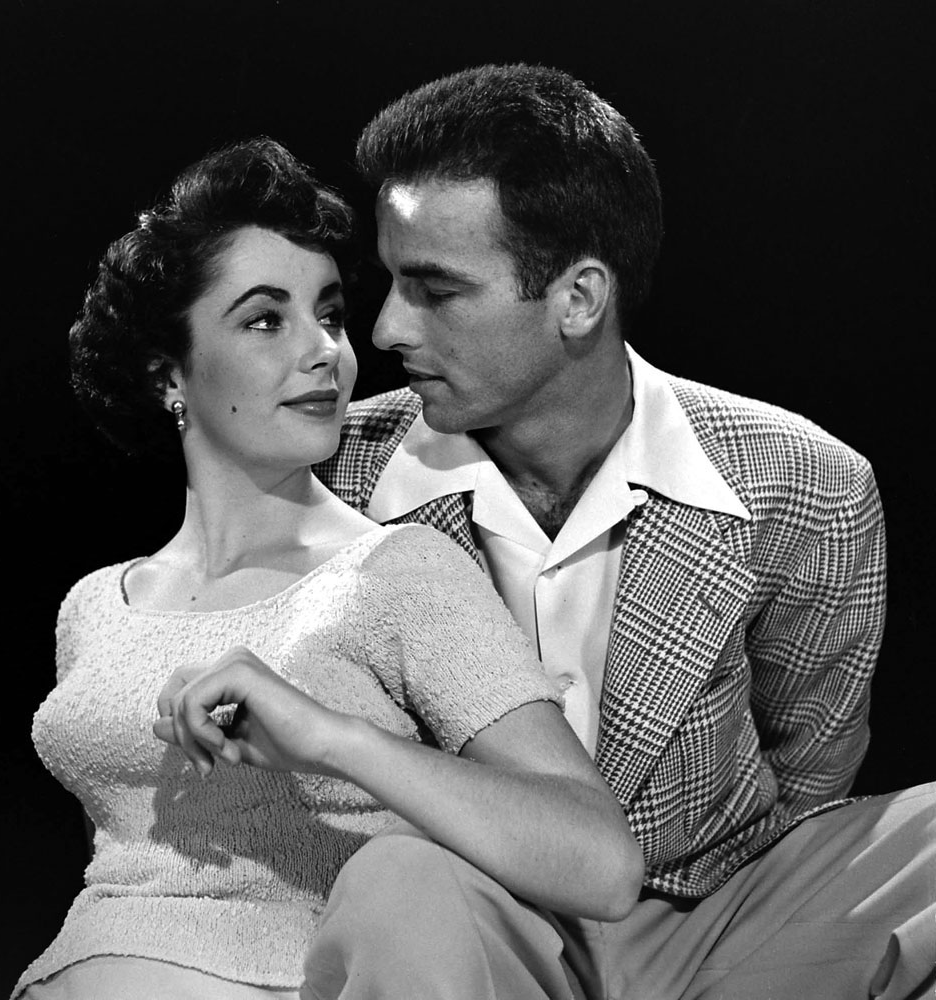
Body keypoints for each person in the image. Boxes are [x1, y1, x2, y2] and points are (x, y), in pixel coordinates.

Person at [309, 64, 936, 999]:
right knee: (399, 882)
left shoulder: (808, 484)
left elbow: (812, 771)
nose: (387, 327)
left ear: (578, 299)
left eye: (434, 289)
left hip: (721, 919)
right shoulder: (333, 475)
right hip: (468, 914)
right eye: (391, 281)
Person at [10, 136, 643, 1000]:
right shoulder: (94, 606)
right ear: (167, 373)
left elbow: (600, 862)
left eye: (331, 315)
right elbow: (132, 865)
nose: (326, 352)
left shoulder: (398, 573)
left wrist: (332, 738)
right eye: (265, 320)